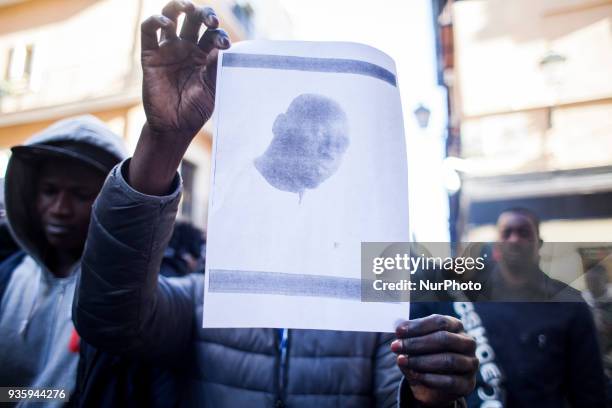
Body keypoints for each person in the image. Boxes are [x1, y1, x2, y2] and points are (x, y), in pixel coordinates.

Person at [73, 1, 478, 406]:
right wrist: (165, 140)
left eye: (339, 147)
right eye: (318, 135)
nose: (327, 154)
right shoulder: (202, 301)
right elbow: (108, 318)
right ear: (280, 123)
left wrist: (429, 397)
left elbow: (400, 397)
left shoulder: (369, 322)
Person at [411, 207, 607, 407]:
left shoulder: (569, 305)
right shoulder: (467, 298)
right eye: (507, 233)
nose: (514, 240)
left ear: (538, 244)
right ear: (497, 246)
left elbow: (590, 390)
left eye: (524, 233)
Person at [0, 115, 127, 405]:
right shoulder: (6, 277)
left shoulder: (126, 299)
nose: (60, 209)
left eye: (81, 195)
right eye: (49, 191)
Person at [583, 263, 612, 406]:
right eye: (588, 282)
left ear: (605, 280)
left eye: (595, 282)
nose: (591, 286)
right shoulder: (583, 301)